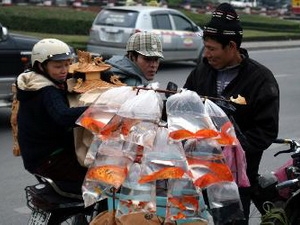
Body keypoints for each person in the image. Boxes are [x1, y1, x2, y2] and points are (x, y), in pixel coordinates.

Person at [183, 3, 279, 225]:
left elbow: (266, 131)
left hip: (236, 182)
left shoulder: (260, 79)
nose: (206, 54)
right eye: (205, 47)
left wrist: (229, 148)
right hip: (199, 177)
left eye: (212, 49)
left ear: (232, 46)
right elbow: (186, 110)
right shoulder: (201, 72)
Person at [16, 38, 89, 195]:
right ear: (41, 66)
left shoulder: (32, 81)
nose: (64, 70)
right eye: (58, 66)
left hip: (37, 155)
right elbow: (63, 116)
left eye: (67, 64)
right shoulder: (47, 90)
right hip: (49, 159)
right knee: (100, 180)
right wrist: (96, 110)